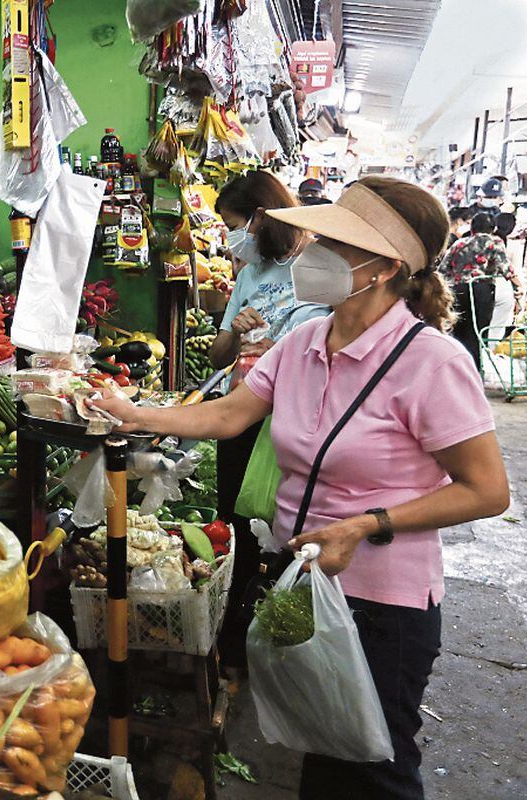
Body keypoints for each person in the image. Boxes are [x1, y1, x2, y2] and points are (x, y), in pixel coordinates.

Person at [91, 176, 510, 800]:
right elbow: (230, 415)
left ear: (385, 267)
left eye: (337, 245)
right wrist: (133, 412)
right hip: (302, 583)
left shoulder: (433, 363)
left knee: (375, 766)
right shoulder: (306, 340)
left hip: (380, 605)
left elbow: (486, 491)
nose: (314, 253)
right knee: (324, 751)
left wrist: (367, 524)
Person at [207, 171, 329, 666]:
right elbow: (218, 357)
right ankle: (236, 634)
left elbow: (328, 354)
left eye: (237, 225)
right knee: (235, 520)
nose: (234, 238)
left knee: (288, 527)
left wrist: (279, 347)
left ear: (262, 216)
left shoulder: (320, 269)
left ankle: (283, 636)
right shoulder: (248, 274)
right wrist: (235, 333)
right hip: (242, 415)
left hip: (296, 422)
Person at [440, 212, 521, 371]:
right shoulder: (494, 242)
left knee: (460, 330)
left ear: (472, 228)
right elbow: (506, 268)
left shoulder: (459, 244)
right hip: (481, 290)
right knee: (477, 332)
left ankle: (457, 368)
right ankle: (474, 370)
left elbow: (443, 269)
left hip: (458, 290)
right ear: (493, 229)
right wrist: (519, 286)